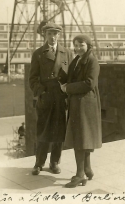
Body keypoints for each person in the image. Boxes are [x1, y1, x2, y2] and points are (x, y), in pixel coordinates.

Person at [29, 22, 73, 175]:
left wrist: (67, 90)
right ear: (45, 35)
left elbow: (71, 77)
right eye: (49, 34)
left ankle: (54, 162)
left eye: (55, 34)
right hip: (46, 98)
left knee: (59, 132)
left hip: (61, 98)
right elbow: (33, 79)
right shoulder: (38, 53)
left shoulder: (67, 53)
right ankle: (39, 163)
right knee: (43, 130)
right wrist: (41, 92)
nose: (52, 37)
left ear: (59, 35)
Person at [59, 34, 102, 188]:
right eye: (75, 45)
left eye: (81, 45)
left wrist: (68, 88)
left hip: (85, 104)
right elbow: (71, 78)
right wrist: (60, 77)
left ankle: (79, 175)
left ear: (88, 45)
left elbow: (89, 83)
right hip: (79, 103)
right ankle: (87, 169)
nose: (77, 48)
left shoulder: (92, 60)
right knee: (84, 138)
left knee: (80, 139)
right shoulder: (77, 60)